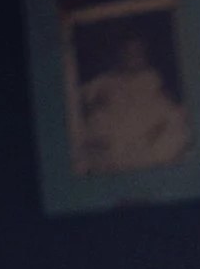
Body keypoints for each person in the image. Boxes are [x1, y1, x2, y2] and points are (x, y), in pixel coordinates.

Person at [73, 31, 191, 175]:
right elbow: (81, 102)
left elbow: (172, 113)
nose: (133, 56)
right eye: (127, 51)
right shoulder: (103, 82)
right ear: (119, 54)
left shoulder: (154, 79)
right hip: (113, 144)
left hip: (149, 144)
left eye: (137, 51)